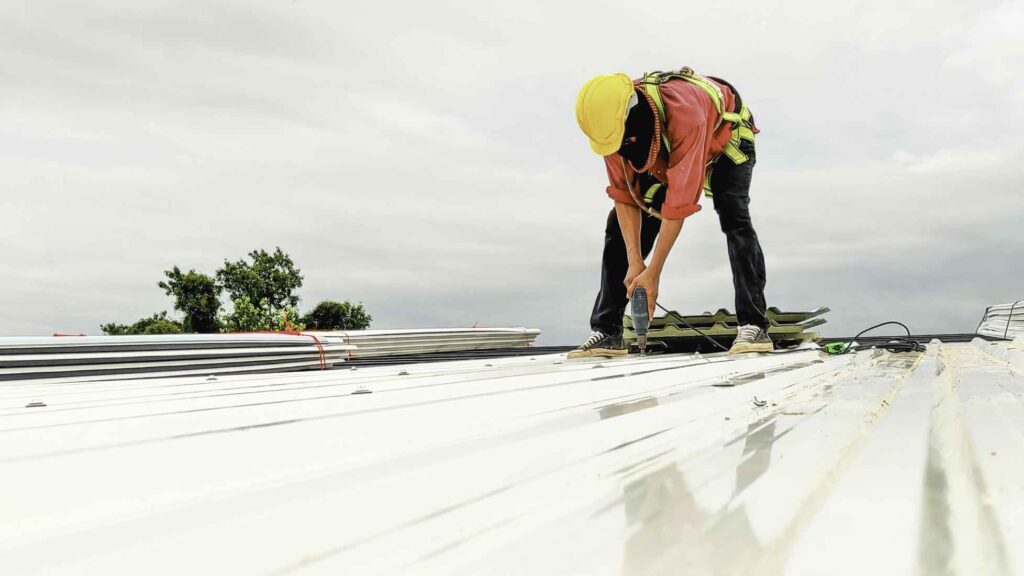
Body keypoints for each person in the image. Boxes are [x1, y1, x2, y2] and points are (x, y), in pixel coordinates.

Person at [569, 67, 772, 358]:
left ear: (631, 115)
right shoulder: (609, 130)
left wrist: (653, 273)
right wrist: (635, 263)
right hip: (662, 143)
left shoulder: (686, 116)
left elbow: (677, 206)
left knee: (733, 215)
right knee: (618, 225)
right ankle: (607, 331)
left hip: (726, 133)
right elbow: (625, 197)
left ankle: (754, 325)